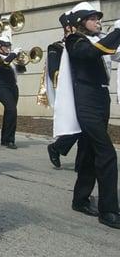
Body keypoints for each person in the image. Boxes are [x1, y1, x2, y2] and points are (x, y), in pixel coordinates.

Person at [64, 1, 120, 228]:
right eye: (93, 18)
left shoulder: (98, 39)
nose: (98, 22)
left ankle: (80, 198)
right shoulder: (74, 40)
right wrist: (117, 32)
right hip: (85, 101)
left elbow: (109, 52)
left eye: (98, 18)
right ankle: (108, 211)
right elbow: (89, 55)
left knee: (88, 151)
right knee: (107, 154)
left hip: (100, 99)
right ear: (81, 23)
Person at [46, 12, 79, 169]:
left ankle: (82, 162)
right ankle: (56, 147)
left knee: (84, 128)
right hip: (68, 91)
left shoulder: (83, 43)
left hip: (84, 90)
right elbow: (54, 72)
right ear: (67, 27)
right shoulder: (56, 47)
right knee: (77, 127)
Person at [0, 36, 26, 149]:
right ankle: (10, 140)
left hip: (13, 87)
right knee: (12, 109)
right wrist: (13, 54)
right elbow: (4, 64)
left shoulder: (10, 58)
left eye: (9, 46)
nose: (8, 48)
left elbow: (21, 71)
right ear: (0, 46)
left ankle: (5, 139)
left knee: (10, 112)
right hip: (1, 87)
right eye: (6, 46)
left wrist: (21, 63)